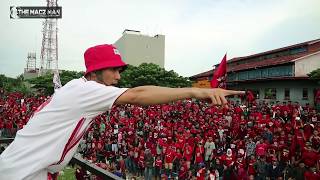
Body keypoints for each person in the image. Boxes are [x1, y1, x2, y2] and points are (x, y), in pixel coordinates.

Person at [0, 44, 244, 180]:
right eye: (113, 70)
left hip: (23, 168)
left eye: (120, 71)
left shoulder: (78, 88)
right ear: (94, 72)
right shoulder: (86, 90)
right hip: (22, 174)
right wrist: (196, 92)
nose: (118, 77)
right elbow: (137, 95)